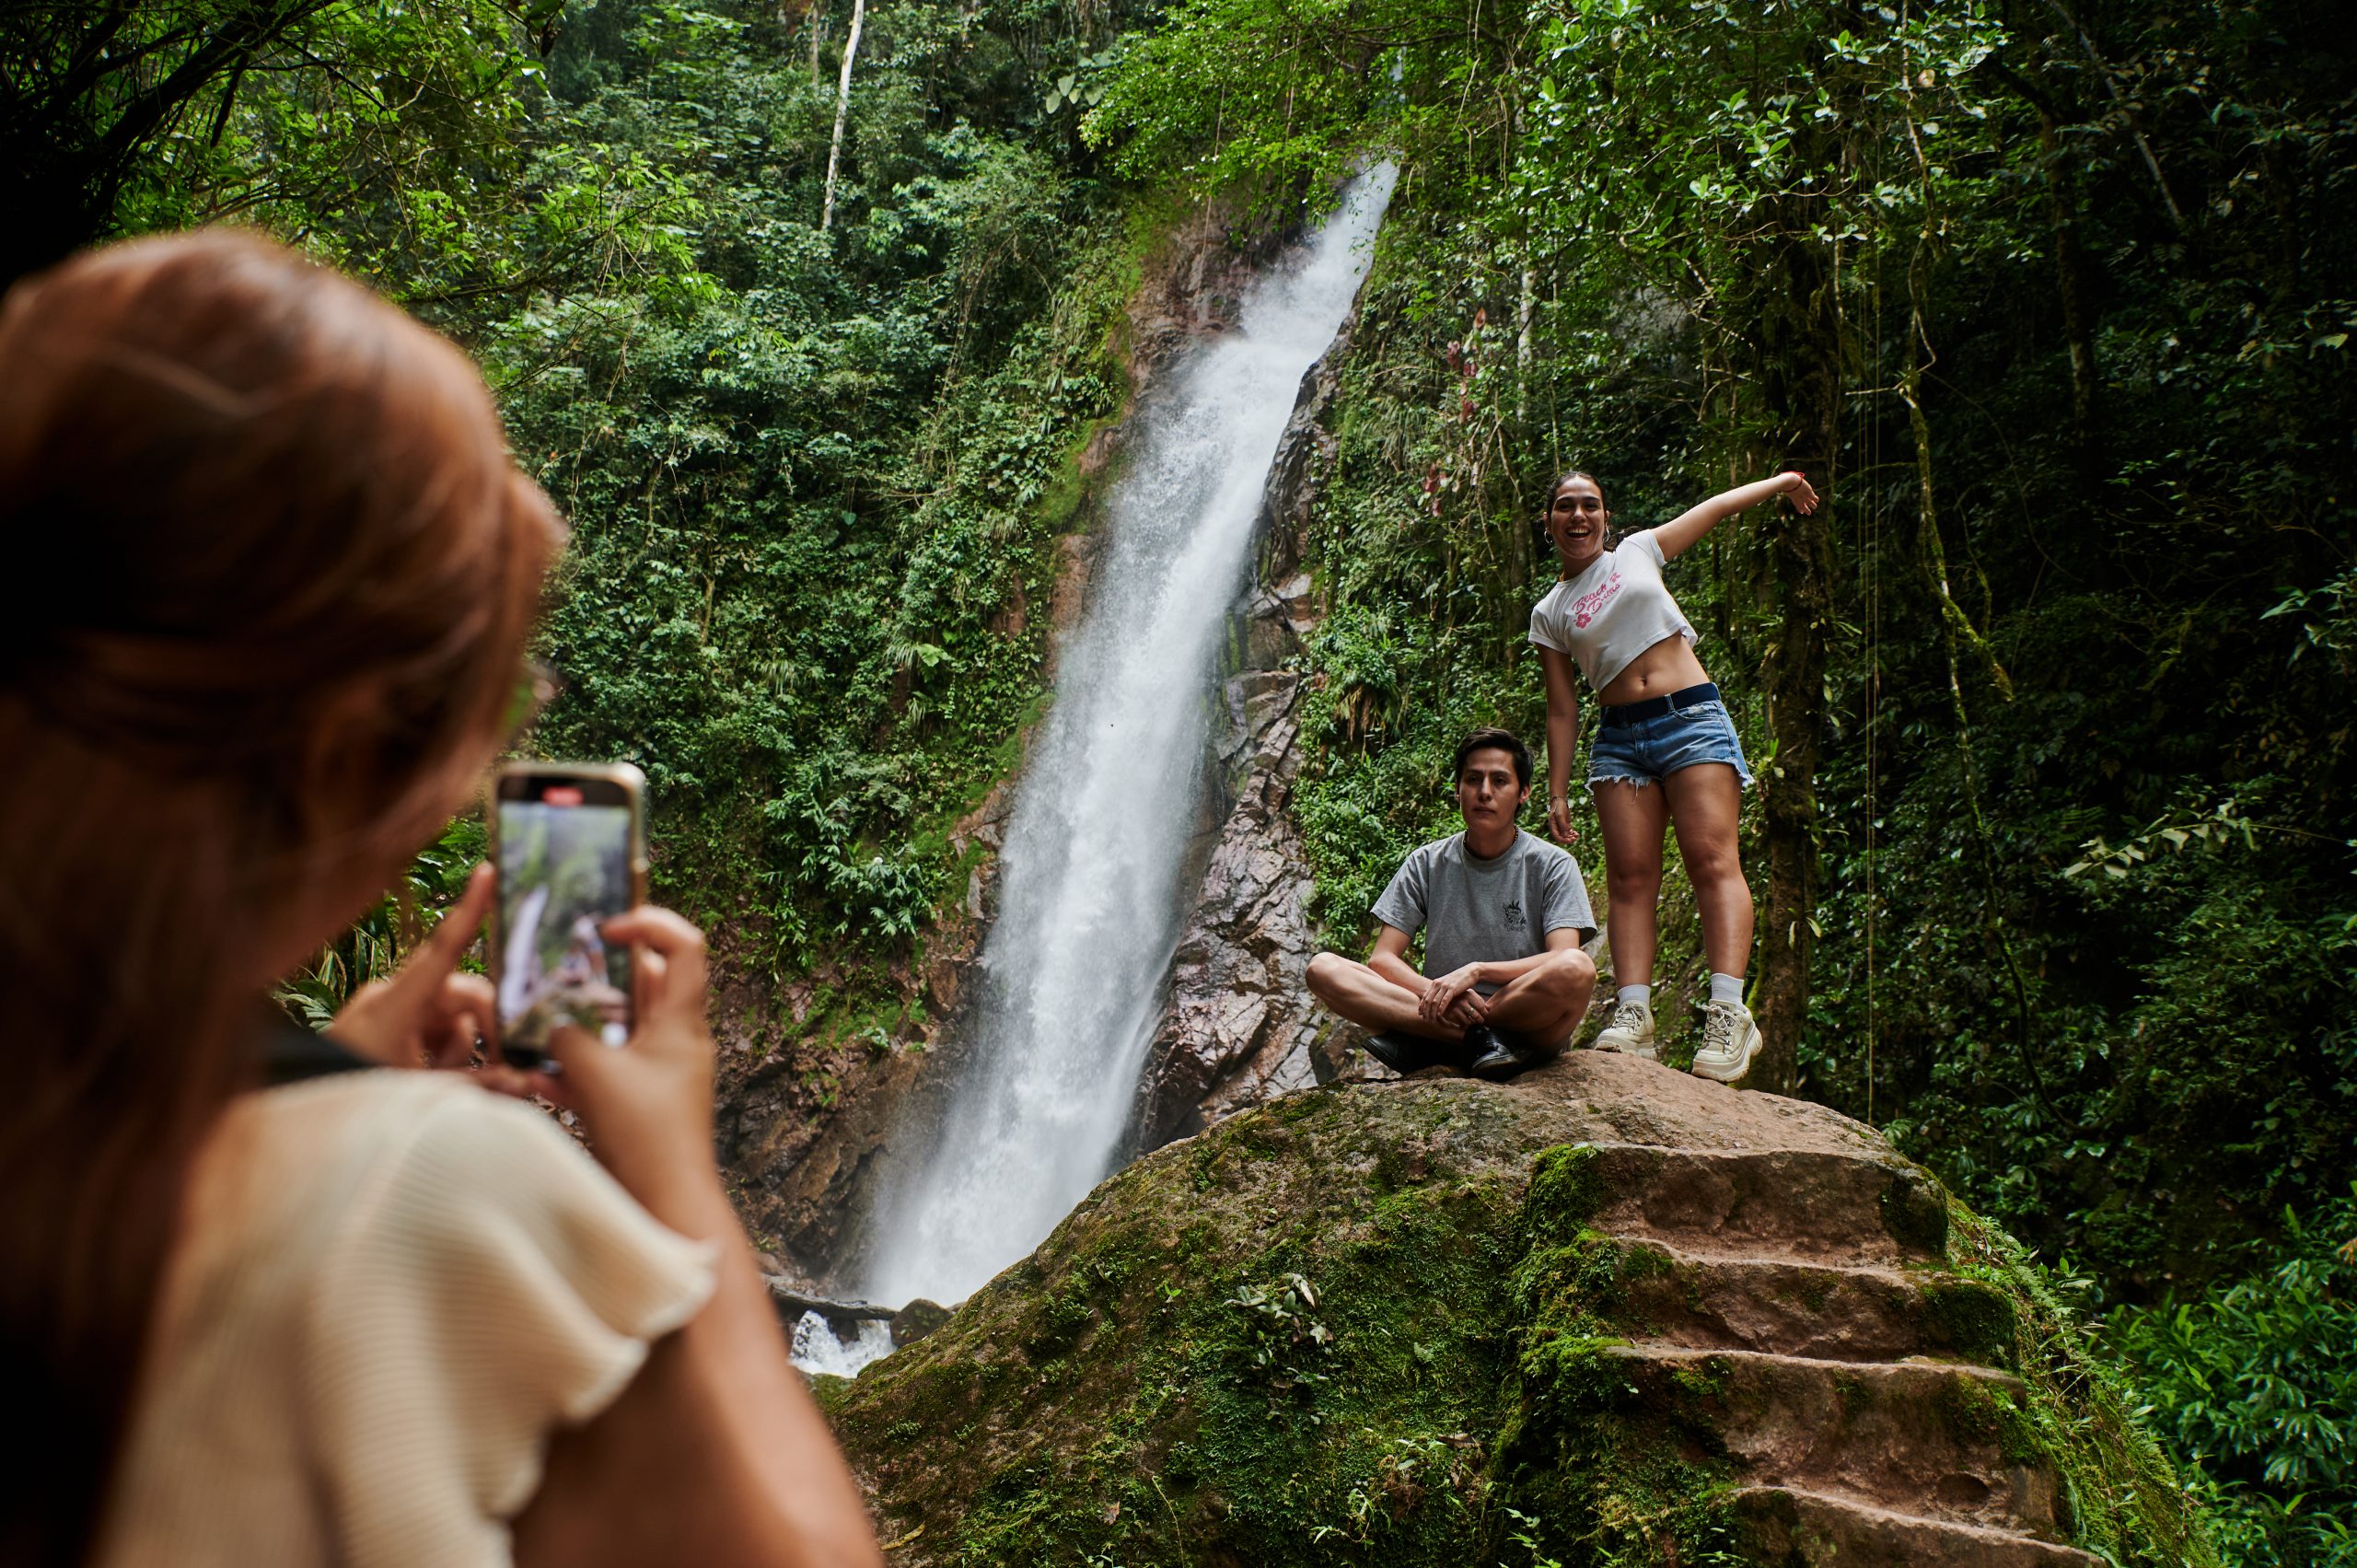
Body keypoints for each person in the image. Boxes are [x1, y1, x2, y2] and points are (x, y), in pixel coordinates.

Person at [0, 232, 883, 1568]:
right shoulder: (418, 1191)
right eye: (486, 709)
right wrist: (672, 1169)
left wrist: (306, 1070)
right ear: (347, 749)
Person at [1528, 468, 1819, 1084]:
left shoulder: (1636, 553)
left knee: (1713, 860)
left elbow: (1711, 508)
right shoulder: (1549, 612)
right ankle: (1634, 1014)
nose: (1578, 516)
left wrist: (1781, 484)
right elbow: (1562, 706)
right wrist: (1556, 788)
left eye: (1590, 505)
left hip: (1688, 717)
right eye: (1565, 507)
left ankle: (1728, 1009)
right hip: (1619, 741)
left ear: (1606, 518)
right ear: (1549, 521)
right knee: (1631, 881)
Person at [1306, 729, 1598, 1082]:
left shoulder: (1552, 864)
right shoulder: (1427, 862)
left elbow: (1561, 956)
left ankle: (1450, 1039)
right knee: (1322, 969)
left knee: (1577, 969)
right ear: (1458, 789)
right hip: (1440, 1009)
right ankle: (1479, 1041)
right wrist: (1438, 993)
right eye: (1473, 779)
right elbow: (1382, 959)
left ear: (1523, 793)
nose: (1485, 792)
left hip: (1525, 1019)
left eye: (1500, 780)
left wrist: (1476, 972)